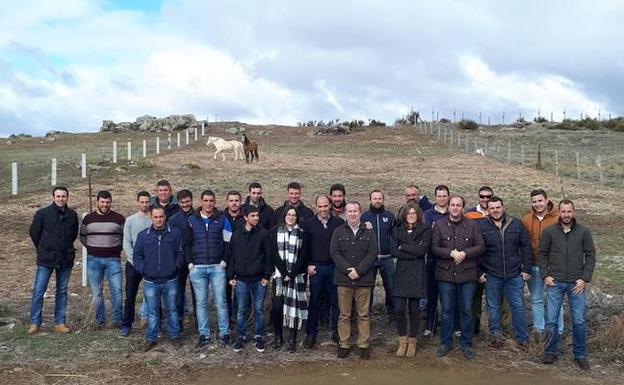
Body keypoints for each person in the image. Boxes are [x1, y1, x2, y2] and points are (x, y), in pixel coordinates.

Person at [539, 200, 596, 371]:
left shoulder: (584, 232)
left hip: (576, 283)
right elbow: (542, 254)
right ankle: (550, 351)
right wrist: (545, 275)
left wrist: (585, 278)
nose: (566, 215)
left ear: (574, 212)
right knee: (550, 320)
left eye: (569, 211)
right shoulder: (549, 232)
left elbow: (591, 256)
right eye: (563, 211)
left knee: (578, 321)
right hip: (554, 282)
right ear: (558, 212)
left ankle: (580, 355)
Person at [431, 195, 484, 360]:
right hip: (445, 274)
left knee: (467, 310)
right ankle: (445, 342)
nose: (455, 207)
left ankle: (466, 343)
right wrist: (450, 253)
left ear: (463, 207)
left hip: (467, 274)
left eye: (458, 205)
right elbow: (433, 247)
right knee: (446, 310)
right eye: (452, 205)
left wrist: (465, 253)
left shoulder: (472, 224)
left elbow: (481, 246)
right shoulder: (439, 225)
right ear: (448, 207)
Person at [478, 196, 532, 349]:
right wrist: (479, 272)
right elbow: (476, 251)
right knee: (493, 307)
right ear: (488, 210)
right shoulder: (482, 226)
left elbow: (526, 246)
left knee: (518, 306)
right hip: (491, 274)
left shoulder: (516, 224)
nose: (495, 210)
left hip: (514, 274)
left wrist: (526, 269)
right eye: (492, 208)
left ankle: (522, 338)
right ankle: (496, 336)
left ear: (503, 207)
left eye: (498, 207)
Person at [28, 186, 79, 335]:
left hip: (65, 258)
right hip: (46, 258)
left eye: (63, 196)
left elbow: (73, 234)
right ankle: (35, 323)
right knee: (39, 290)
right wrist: (44, 247)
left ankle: (60, 322)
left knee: (62, 291)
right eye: (58, 196)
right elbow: (34, 232)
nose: (61, 199)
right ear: (53, 197)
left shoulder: (72, 215)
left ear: (67, 198)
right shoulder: (42, 214)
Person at [185, 189, 232, 348]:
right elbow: (186, 244)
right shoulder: (192, 220)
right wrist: (190, 264)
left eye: (211, 201)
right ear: (201, 201)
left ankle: (224, 333)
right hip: (197, 268)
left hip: (217, 267)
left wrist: (224, 262)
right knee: (201, 303)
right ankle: (204, 335)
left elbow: (228, 243)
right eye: (206, 200)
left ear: (215, 202)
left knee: (221, 302)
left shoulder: (223, 220)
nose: (209, 203)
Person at [133, 207, 185, 351]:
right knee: (153, 312)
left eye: (161, 216)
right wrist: (144, 269)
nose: (159, 219)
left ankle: (175, 336)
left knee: (172, 310)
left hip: (171, 280)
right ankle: (151, 338)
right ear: (151, 217)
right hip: (151, 281)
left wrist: (176, 266)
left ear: (165, 216)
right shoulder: (143, 235)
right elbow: (137, 256)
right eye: (155, 217)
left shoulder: (175, 233)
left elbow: (181, 252)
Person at [330, 201, 378, 360]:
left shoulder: (369, 232)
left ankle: (363, 345)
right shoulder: (338, 231)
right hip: (344, 280)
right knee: (344, 315)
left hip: (364, 280)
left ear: (360, 212)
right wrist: (348, 269)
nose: (352, 214)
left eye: (355, 211)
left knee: (363, 314)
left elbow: (372, 253)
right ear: (345, 213)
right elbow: (334, 252)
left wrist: (359, 270)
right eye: (349, 211)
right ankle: (344, 344)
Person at [228, 206, 272, 353]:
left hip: (259, 279)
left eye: (257, 215)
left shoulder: (264, 234)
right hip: (241, 279)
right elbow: (232, 256)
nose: (256, 218)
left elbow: (268, 257)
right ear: (245, 217)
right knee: (241, 310)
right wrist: (231, 276)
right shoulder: (237, 235)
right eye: (252, 216)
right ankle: (241, 337)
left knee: (258, 309)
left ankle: (258, 336)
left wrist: (267, 275)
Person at [303, 195, 344, 348]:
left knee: (335, 301)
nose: (323, 209)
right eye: (320, 206)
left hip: (334, 268)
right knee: (314, 301)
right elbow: (305, 247)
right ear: (315, 207)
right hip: (317, 269)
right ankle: (311, 333)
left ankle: (335, 333)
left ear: (330, 206)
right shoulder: (309, 224)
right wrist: (307, 265)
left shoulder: (339, 223)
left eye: (326, 206)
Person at [521, 189, 563, 337]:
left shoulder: (557, 218)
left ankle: (557, 330)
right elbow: (523, 244)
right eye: (534, 201)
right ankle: (540, 330)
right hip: (533, 265)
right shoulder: (526, 220)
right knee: (536, 298)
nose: (537, 204)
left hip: (553, 267)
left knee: (554, 299)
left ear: (546, 200)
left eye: (540, 201)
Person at [390, 202, 431, 357]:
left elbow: (422, 250)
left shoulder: (426, 229)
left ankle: (412, 341)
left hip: (417, 273)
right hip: (401, 273)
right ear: (404, 215)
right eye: (408, 213)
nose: (411, 216)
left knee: (415, 310)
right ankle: (402, 340)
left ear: (418, 214)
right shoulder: (397, 229)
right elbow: (394, 250)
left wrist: (404, 246)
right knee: (399, 308)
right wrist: (412, 249)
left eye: (414, 213)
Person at [80, 190, 125, 328]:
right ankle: (100, 320)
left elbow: (124, 237)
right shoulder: (88, 219)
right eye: (102, 202)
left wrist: (116, 248)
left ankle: (117, 319)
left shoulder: (119, 218)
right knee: (96, 292)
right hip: (94, 260)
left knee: (116, 290)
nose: (105, 205)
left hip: (113, 260)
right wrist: (93, 248)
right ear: (97, 202)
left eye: (108, 202)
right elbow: (82, 236)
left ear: (111, 202)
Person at [270, 207, 308, 352]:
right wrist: (285, 272)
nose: (291, 217)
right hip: (279, 276)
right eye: (288, 214)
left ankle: (292, 337)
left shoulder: (302, 234)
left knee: (295, 307)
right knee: (277, 308)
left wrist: (291, 274)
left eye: (294, 215)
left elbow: (303, 256)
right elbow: (273, 253)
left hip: (296, 277)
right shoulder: (275, 231)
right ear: (284, 216)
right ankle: (278, 335)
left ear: (297, 217)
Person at [119, 191, 152, 336]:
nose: (144, 204)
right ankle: (127, 324)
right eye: (142, 202)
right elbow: (126, 241)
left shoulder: (154, 218)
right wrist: (134, 260)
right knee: (130, 295)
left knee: (152, 294)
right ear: (137, 202)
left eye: (147, 202)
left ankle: (153, 322)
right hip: (133, 264)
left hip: (150, 264)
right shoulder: (130, 220)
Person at [464, 186, 493, 335]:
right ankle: (473, 327)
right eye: (483, 196)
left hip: (492, 261)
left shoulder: (496, 212)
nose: (485, 200)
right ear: (478, 197)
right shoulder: (469, 214)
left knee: (495, 298)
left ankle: (495, 329)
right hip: (473, 261)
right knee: (474, 297)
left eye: (489, 197)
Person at [361, 190, 396, 317]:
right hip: (370, 258)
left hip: (387, 258)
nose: (377, 200)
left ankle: (392, 313)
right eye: (374, 198)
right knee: (368, 287)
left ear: (383, 200)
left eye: (379, 198)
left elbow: (395, 235)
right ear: (370, 200)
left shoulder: (390, 216)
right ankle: (366, 314)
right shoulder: (364, 217)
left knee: (391, 287)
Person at [422, 185, 450, 336]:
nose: (442, 198)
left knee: (448, 296)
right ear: (435, 197)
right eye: (439, 196)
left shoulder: (452, 212)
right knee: (431, 294)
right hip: (432, 259)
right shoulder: (428, 214)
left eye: (444, 196)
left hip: (449, 260)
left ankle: (449, 327)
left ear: (448, 196)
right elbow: (426, 234)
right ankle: (429, 326)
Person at [169, 189, 196, 324]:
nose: (185, 205)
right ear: (178, 203)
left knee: (196, 290)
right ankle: (179, 318)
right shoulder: (173, 220)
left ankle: (198, 318)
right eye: (182, 202)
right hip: (179, 260)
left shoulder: (198, 216)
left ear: (192, 200)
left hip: (196, 259)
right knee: (178, 290)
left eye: (187, 202)